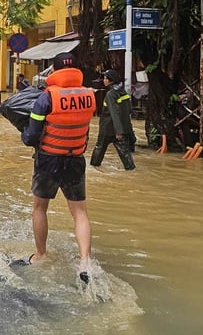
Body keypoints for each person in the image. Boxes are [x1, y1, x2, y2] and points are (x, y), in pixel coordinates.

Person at [11, 52, 97, 285]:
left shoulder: (47, 98)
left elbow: (32, 135)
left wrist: (24, 135)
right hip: (76, 158)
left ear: (54, 72)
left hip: (49, 159)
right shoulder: (89, 95)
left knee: (40, 208)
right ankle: (85, 262)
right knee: (80, 212)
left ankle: (40, 255)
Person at [90, 69, 136, 170]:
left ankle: (94, 168)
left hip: (108, 129)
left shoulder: (110, 94)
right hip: (121, 129)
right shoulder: (123, 92)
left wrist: (118, 131)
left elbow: (114, 113)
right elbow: (129, 110)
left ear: (111, 80)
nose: (104, 80)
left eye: (106, 78)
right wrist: (124, 129)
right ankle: (131, 170)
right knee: (126, 156)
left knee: (99, 151)